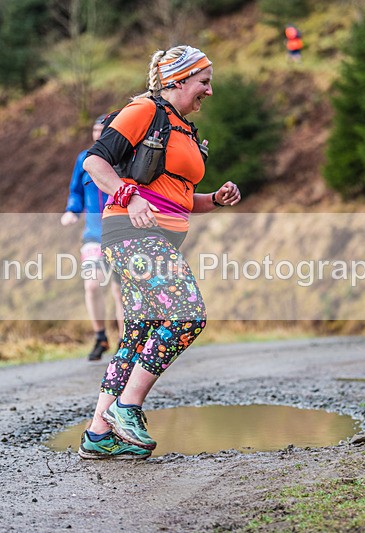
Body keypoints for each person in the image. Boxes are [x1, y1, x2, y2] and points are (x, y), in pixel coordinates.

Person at [77, 45, 241, 459]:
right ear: (179, 80)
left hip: (157, 237)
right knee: (187, 315)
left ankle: (98, 433)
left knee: (140, 331)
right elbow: (95, 164)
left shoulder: (181, 126)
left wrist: (215, 199)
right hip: (129, 233)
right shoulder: (143, 111)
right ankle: (126, 408)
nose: (209, 91)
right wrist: (128, 196)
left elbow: (179, 200)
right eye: (204, 82)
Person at [61, 116, 124, 361]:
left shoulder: (121, 157)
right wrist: (72, 211)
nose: (97, 135)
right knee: (92, 284)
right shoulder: (84, 158)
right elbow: (76, 190)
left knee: (120, 292)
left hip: (119, 233)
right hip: (93, 235)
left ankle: (123, 340)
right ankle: (100, 337)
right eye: (94, 130)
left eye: (103, 130)